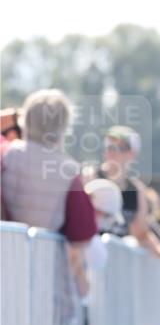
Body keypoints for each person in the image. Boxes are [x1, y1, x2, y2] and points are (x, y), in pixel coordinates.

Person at [0, 89, 97, 296]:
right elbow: (82, 235)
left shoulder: (5, 155)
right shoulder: (68, 170)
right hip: (44, 282)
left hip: (6, 267)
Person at [95, 125, 160, 265]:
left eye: (118, 147)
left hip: (111, 264)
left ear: (132, 153)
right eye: (108, 146)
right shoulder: (90, 177)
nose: (111, 152)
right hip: (88, 259)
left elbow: (142, 234)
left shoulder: (137, 191)